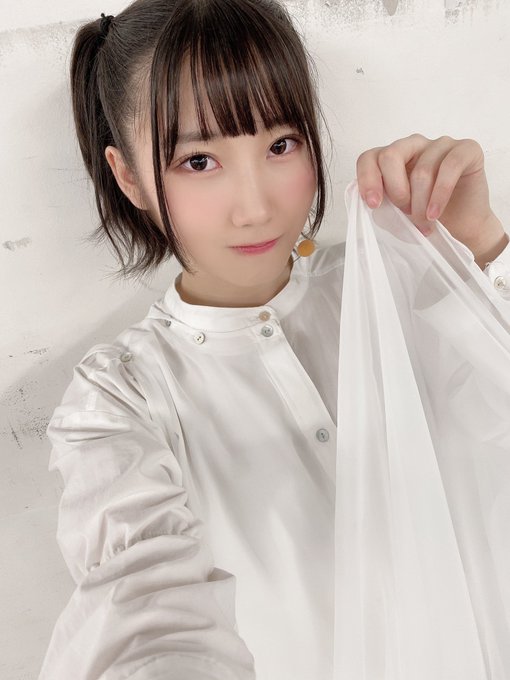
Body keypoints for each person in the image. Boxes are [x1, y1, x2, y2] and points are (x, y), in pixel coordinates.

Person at [38, 1, 510, 679]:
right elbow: (145, 608)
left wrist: (481, 248)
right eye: (199, 160)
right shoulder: (119, 401)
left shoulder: (397, 285)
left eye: (281, 145)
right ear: (129, 176)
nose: (256, 206)